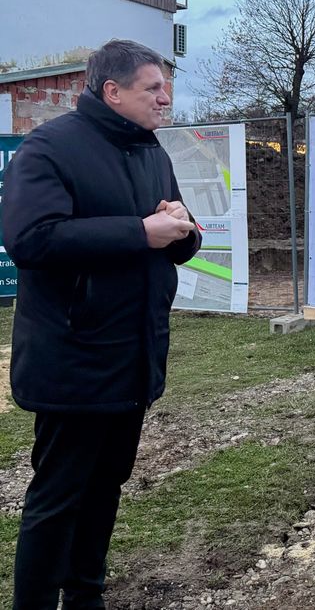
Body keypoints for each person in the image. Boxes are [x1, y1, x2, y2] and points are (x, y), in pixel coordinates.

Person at [4, 40, 201, 609]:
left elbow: (177, 244)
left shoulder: (152, 152)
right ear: (112, 91)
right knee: (58, 498)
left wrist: (182, 229)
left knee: (105, 489)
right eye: (153, 88)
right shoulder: (49, 148)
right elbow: (30, 239)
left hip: (132, 351)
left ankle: (85, 598)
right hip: (73, 357)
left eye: (166, 86)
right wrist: (139, 231)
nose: (165, 98)